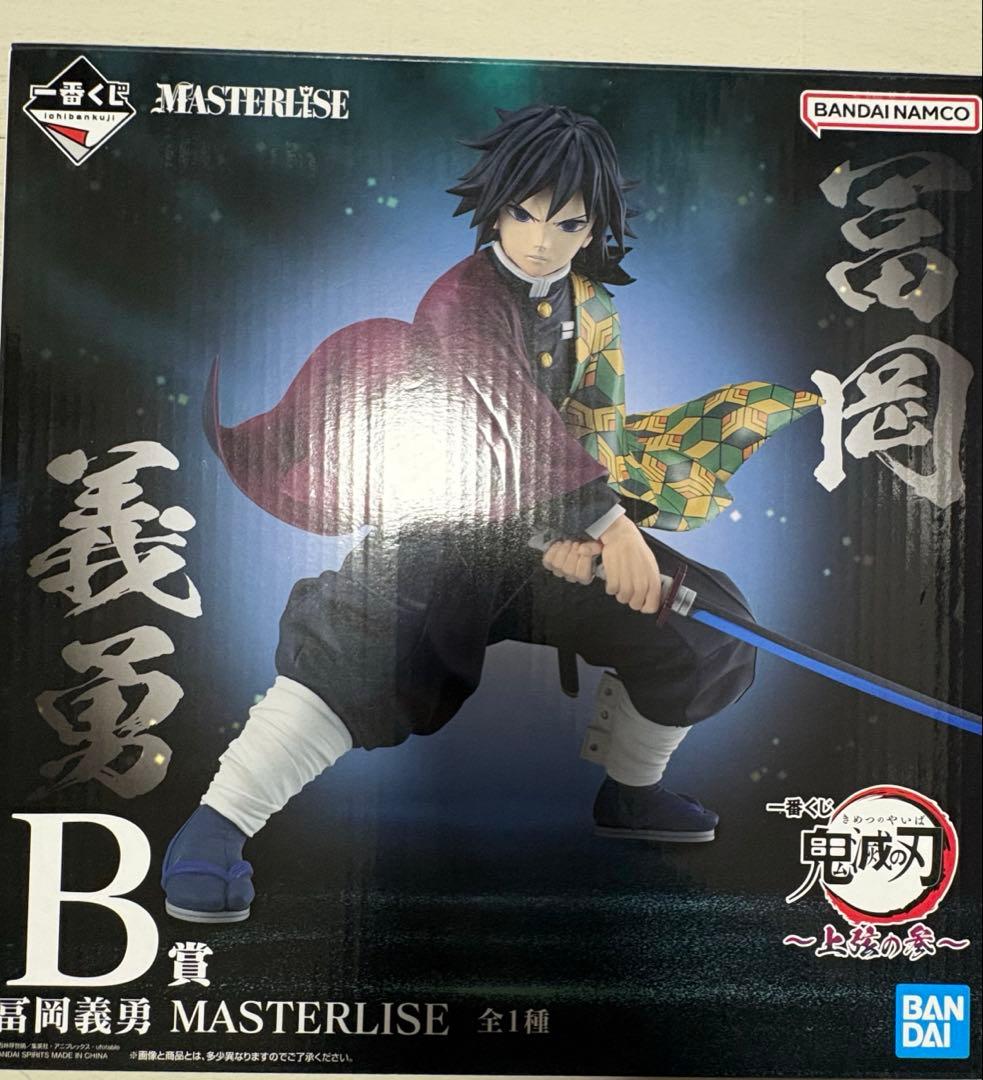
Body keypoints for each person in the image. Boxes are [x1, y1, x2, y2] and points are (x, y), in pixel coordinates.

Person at [162, 105, 817, 923]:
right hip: (445, 536)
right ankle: (215, 826)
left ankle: (631, 791)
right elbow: (513, 419)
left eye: (566, 223)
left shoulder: (587, 307)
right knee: (358, 654)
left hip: (556, 534)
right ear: (497, 208)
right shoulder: (460, 300)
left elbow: (590, 425)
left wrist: (581, 536)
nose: (540, 240)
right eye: (524, 214)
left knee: (704, 624)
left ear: (593, 228)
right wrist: (602, 527)